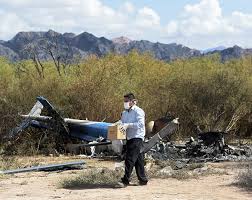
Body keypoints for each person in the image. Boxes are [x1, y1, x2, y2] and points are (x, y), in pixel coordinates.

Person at [118, 93, 148, 187]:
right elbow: (122, 123)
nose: (125, 103)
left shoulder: (138, 111)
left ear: (132, 101)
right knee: (138, 160)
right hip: (129, 137)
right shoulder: (125, 113)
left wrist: (128, 125)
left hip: (137, 137)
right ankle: (143, 180)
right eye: (124, 101)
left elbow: (140, 124)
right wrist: (118, 124)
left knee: (129, 159)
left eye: (127, 101)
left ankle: (125, 181)